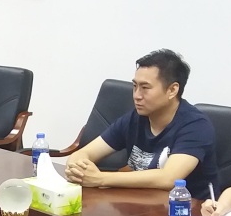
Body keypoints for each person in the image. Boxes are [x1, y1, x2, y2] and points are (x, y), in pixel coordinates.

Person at [66, 49, 219, 193]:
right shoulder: (134, 118)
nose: (136, 96)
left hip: (187, 208)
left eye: (145, 88)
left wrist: (100, 178)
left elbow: (169, 178)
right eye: (135, 86)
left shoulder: (196, 126)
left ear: (172, 90)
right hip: (140, 201)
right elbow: (84, 153)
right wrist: (77, 168)